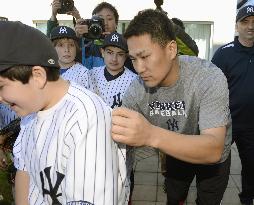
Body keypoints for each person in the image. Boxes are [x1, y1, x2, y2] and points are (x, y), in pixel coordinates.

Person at [111, 9, 232, 205]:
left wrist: (150, 134)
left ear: (171, 49)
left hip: (215, 159)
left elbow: (213, 149)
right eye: (133, 59)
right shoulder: (137, 88)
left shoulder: (208, 77)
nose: (139, 68)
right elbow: (117, 135)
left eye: (145, 56)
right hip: (175, 150)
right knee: (175, 198)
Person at [0, 21, 126, 205]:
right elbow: (24, 172)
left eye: (2, 87)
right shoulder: (30, 112)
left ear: (38, 76)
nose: (1, 98)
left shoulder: (87, 117)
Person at [211, 5, 254, 205]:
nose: (250, 26)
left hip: (252, 125)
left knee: (251, 167)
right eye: (245, 21)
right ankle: (210, 198)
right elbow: (210, 88)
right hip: (226, 123)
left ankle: (246, 200)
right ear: (237, 25)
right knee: (217, 165)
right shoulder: (224, 54)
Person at [89, 32, 137, 204]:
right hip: (93, 142)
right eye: (109, 52)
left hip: (121, 145)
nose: (114, 58)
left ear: (126, 56)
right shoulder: (91, 75)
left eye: (120, 54)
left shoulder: (135, 81)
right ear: (102, 52)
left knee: (120, 188)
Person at [74, 2, 135, 73]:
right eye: (100, 20)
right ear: (92, 23)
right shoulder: (87, 46)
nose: (105, 23)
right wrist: (77, 39)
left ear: (116, 23)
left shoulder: (126, 44)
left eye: (109, 19)